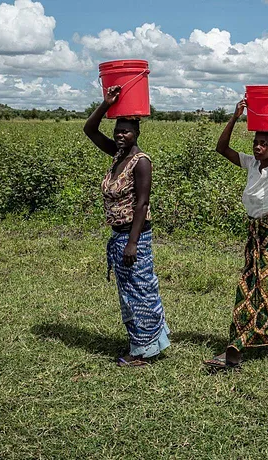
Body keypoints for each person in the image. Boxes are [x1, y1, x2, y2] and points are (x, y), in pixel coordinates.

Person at [204, 100, 268, 369]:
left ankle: (240, 347)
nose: (258, 147)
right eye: (255, 143)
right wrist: (235, 118)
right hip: (254, 233)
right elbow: (221, 148)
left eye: (263, 144)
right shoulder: (249, 164)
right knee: (252, 284)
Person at [83, 85, 170, 367]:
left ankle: (142, 352)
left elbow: (142, 205)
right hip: (119, 236)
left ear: (137, 134)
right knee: (131, 292)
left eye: (126, 131)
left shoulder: (141, 162)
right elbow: (90, 130)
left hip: (135, 237)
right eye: (118, 130)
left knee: (140, 292)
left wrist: (133, 243)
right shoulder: (118, 155)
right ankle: (147, 342)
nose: (120, 135)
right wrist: (106, 103)